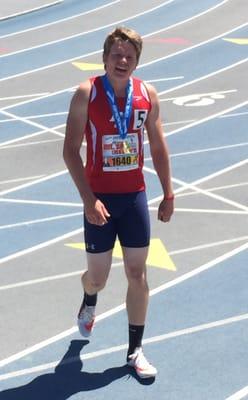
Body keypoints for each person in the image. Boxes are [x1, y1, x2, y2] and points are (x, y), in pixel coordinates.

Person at [63, 26, 174, 379]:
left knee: (137, 274)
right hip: (100, 200)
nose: (122, 61)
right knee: (97, 278)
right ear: (105, 58)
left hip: (134, 197)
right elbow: (69, 151)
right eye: (116, 55)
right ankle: (89, 297)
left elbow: (157, 146)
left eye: (129, 56)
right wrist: (88, 200)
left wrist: (168, 192)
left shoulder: (147, 95)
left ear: (137, 61)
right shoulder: (87, 93)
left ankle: (135, 350)